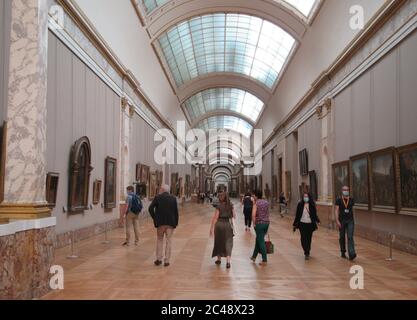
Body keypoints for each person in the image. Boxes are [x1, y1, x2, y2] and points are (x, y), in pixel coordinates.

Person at [149, 184, 179, 267]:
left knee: (159, 240)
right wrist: (175, 222)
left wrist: (155, 218)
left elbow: (150, 208)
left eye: (160, 189)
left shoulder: (157, 197)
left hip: (160, 223)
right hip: (170, 223)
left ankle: (159, 259)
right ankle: (167, 261)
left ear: (162, 189)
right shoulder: (173, 198)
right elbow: (176, 211)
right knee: (169, 241)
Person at [210, 192, 236, 269]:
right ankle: (228, 262)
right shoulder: (230, 205)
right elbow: (234, 216)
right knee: (228, 242)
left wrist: (211, 228)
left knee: (219, 241)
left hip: (219, 225)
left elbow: (215, 217)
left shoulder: (219, 206)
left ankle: (218, 259)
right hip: (227, 225)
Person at [293, 193, 320, 260]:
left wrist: (317, 220)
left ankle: (307, 252)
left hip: (310, 224)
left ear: (309, 197)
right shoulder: (300, 204)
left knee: (309, 238)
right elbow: (297, 215)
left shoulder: (312, 205)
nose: (305, 198)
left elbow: (314, 214)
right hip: (302, 223)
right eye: (304, 196)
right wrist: (294, 224)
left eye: (307, 196)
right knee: (303, 238)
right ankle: (306, 250)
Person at [335, 186, 357, 261]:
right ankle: (343, 251)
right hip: (342, 221)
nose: (346, 191)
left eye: (347, 190)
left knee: (350, 236)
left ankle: (351, 253)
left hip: (350, 220)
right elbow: (336, 210)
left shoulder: (351, 199)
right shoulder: (338, 199)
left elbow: (353, 210)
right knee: (342, 237)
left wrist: (354, 220)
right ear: (342, 191)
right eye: (344, 190)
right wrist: (337, 220)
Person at [251, 190, 270, 266]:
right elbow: (268, 213)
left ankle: (264, 260)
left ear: (256, 196)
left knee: (261, 241)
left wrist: (254, 223)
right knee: (258, 239)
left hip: (259, 224)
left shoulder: (256, 204)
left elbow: (253, 214)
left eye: (253, 196)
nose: (253, 197)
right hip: (266, 223)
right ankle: (254, 256)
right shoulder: (266, 202)